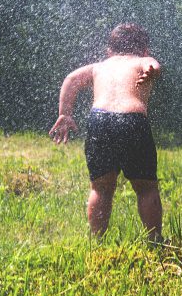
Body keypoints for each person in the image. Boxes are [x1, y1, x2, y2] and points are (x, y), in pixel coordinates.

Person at [50, 23, 163, 241]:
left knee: (101, 188)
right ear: (145, 49)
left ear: (109, 50)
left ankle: (97, 239)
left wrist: (65, 113)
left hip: (99, 121)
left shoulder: (100, 66)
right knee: (146, 187)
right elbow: (154, 65)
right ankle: (155, 239)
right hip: (132, 120)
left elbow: (71, 79)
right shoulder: (142, 61)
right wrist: (152, 71)